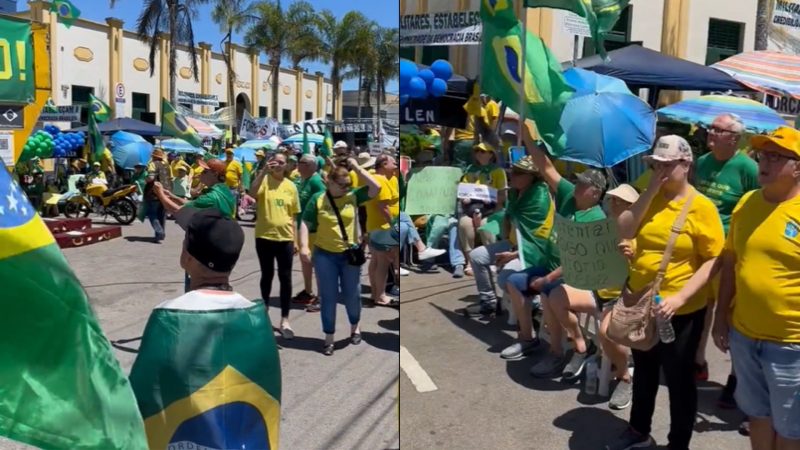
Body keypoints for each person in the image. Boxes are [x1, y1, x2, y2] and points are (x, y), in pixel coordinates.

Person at [605, 135, 725, 450]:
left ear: (686, 165)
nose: (660, 171)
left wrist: (681, 298)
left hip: (680, 311)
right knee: (644, 368)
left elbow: (715, 259)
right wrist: (630, 243)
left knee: (679, 380)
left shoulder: (701, 207)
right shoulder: (651, 194)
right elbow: (626, 228)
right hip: (642, 300)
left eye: (667, 166)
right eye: (655, 165)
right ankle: (638, 430)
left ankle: (677, 443)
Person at [712, 126, 800, 450]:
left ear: (798, 167)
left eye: (776, 156)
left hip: (791, 345)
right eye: (763, 154)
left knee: (791, 429)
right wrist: (721, 316)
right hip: (745, 337)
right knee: (757, 416)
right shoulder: (747, 203)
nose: (765, 162)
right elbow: (731, 263)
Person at [503, 133, 607, 375]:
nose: (576, 186)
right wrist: (528, 139)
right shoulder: (569, 196)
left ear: (595, 193)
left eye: (582, 184)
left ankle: (558, 352)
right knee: (514, 282)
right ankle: (528, 338)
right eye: (577, 182)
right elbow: (545, 166)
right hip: (548, 267)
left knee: (550, 292)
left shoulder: (597, 220)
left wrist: (548, 279)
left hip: (570, 276)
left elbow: (576, 262)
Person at [692, 113, 759, 394]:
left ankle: (735, 377)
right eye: (711, 127)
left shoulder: (748, 168)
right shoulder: (702, 163)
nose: (711, 132)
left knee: (730, 313)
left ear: (734, 138)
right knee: (700, 307)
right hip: (700, 250)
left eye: (718, 129)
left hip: (730, 252)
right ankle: (697, 362)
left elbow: (757, 208)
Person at [298, 162, 382, 356]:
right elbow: (306, 221)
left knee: (352, 295)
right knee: (328, 297)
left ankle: (355, 327)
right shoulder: (318, 199)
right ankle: (329, 337)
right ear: (330, 183)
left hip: (349, 254)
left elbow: (376, 188)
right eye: (342, 184)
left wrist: (356, 167)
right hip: (324, 255)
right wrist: (303, 246)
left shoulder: (353, 196)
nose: (346, 188)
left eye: (348, 184)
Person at [466, 155, 556, 320]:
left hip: (533, 251)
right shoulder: (515, 193)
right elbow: (508, 216)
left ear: (532, 177)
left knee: (505, 279)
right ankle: (489, 302)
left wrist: (514, 255)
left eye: (519, 173)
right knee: (476, 256)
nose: (512, 175)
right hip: (514, 244)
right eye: (513, 171)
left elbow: (539, 240)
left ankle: (535, 307)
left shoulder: (539, 197)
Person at [249, 152, 301, 339]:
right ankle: (264, 313)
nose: (278, 165)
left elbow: (293, 216)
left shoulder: (291, 187)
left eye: (281, 162)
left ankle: (285, 319)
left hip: (285, 239)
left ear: (287, 165)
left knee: (285, 278)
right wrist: (263, 171)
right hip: (264, 236)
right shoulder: (264, 180)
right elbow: (252, 193)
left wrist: (295, 240)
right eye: (275, 162)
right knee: (267, 275)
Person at [459, 142, 508, 277]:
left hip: (491, 209)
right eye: (477, 151)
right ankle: (470, 262)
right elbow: (463, 190)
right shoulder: (470, 169)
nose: (479, 154)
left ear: (491, 154)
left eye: (483, 151)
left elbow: (503, 196)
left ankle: (492, 260)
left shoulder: (498, 171)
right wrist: (464, 198)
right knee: (465, 224)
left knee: (487, 226)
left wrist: (493, 200)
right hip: (471, 208)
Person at [291, 154, 327, 311]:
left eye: (302, 163)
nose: (298, 165)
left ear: (312, 165)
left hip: (315, 230)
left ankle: (322, 297)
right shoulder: (304, 180)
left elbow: (325, 201)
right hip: (303, 227)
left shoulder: (316, 181)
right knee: (305, 262)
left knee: (317, 265)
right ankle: (308, 291)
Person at [365, 154, 401, 307]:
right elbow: (383, 207)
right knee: (383, 263)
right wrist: (393, 224)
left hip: (375, 225)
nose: (396, 163)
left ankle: (375, 293)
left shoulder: (386, 178)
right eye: (393, 161)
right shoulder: (380, 180)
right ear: (384, 164)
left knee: (376, 260)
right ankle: (380, 295)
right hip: (383, 227)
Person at [153, 158, 235, 218]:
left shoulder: (211, 197)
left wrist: (160, 194)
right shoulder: (225, 190)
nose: (201, 173)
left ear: (215, 174)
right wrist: (171, 195)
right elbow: (190, 203)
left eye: (205, 171)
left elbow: (178, 210)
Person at [144, 148, 172, 242]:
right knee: (162, 214)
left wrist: (146, 179)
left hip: (154, 192)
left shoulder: (153, 164)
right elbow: (170, 179)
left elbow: (151, 178)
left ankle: (159, 232)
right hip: (166, 192)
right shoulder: (167, 165)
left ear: (154, 156)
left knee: (152, 213)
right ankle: (159, 236)